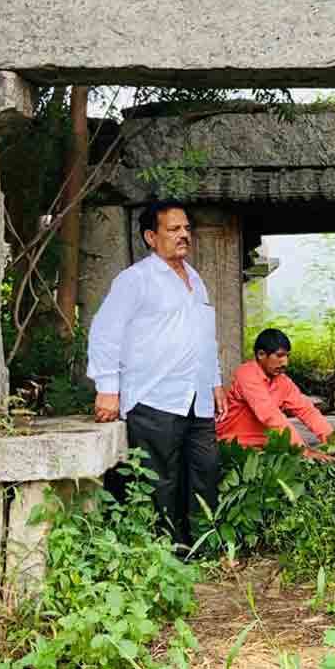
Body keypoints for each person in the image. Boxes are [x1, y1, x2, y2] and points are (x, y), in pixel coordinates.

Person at [87, 201, 227, 546]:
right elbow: (105, 332)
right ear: (151, 236)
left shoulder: (196, 279)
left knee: (205, 472)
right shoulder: (135, 280)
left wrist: (216, 382)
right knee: (160, 480)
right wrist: (108, 388)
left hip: (196, 398)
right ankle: (167, 553)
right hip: (154, 397)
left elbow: (204, 336)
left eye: (186, 228)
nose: (183, 235)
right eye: (173, 229)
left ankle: (203, 547)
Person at [217, 328, 334, 461]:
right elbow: (270, 415)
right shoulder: (246, 374)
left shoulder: (283, 382)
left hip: (263, 450)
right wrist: (303, 451)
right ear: (261, 354)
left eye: (287, 356)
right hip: (231, 448)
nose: (285, 362)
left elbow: (307, 411)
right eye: (279, 356)